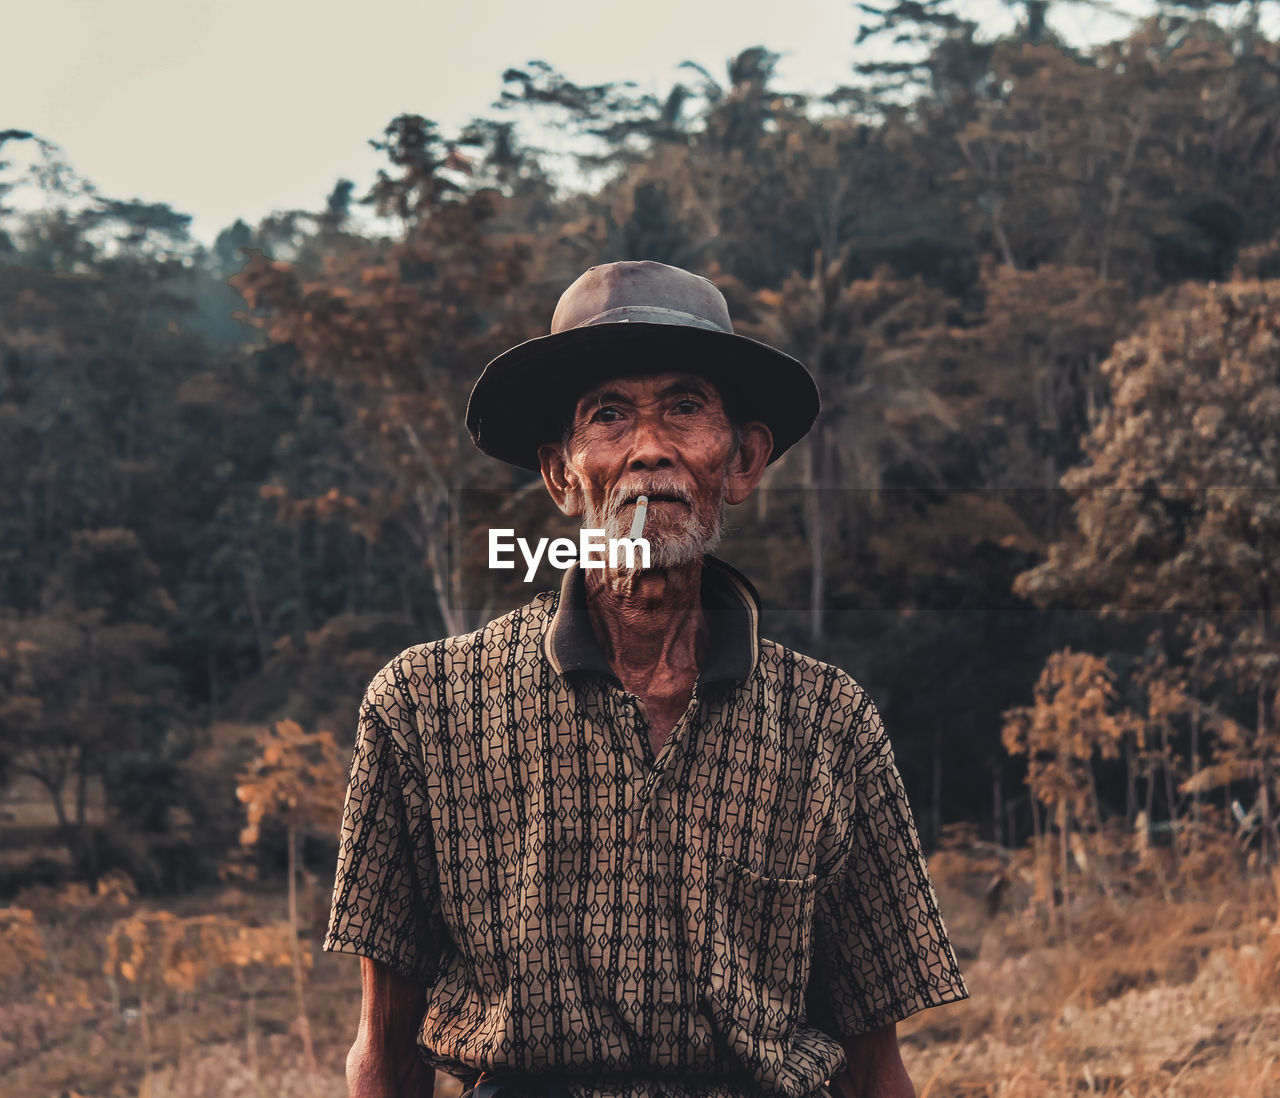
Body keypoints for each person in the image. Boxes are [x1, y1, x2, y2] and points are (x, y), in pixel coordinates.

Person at [324, 261, 969, 1098]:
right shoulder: (424, 706)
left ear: (742, 461)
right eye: (610, 415)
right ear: (563, 475)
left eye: (686, 407)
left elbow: (875, 1068)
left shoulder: (829, 724)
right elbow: (383, 1053)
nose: (651, 447)